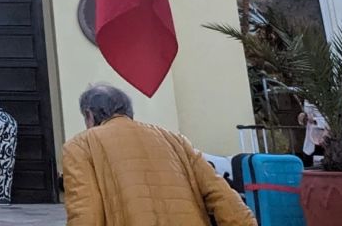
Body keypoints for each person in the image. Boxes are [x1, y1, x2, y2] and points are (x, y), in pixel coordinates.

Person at [62, 84, 255, 226]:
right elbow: (223, 197)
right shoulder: (176, 141)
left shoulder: (80, 146)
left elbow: (86, 214)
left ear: (89, 115)